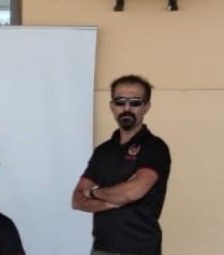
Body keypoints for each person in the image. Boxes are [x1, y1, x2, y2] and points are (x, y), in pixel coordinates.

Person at [72, 74, 171, 255]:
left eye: (135, 102)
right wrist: (112, 202)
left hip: (140, 249)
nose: (127, 108)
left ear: (146, 107)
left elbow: (133, 192)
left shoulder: (155, 147)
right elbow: (77, 200)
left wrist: (93, 193)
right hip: (101, 248)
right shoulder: (103, 151)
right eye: (120, 101)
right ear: (112, 106)